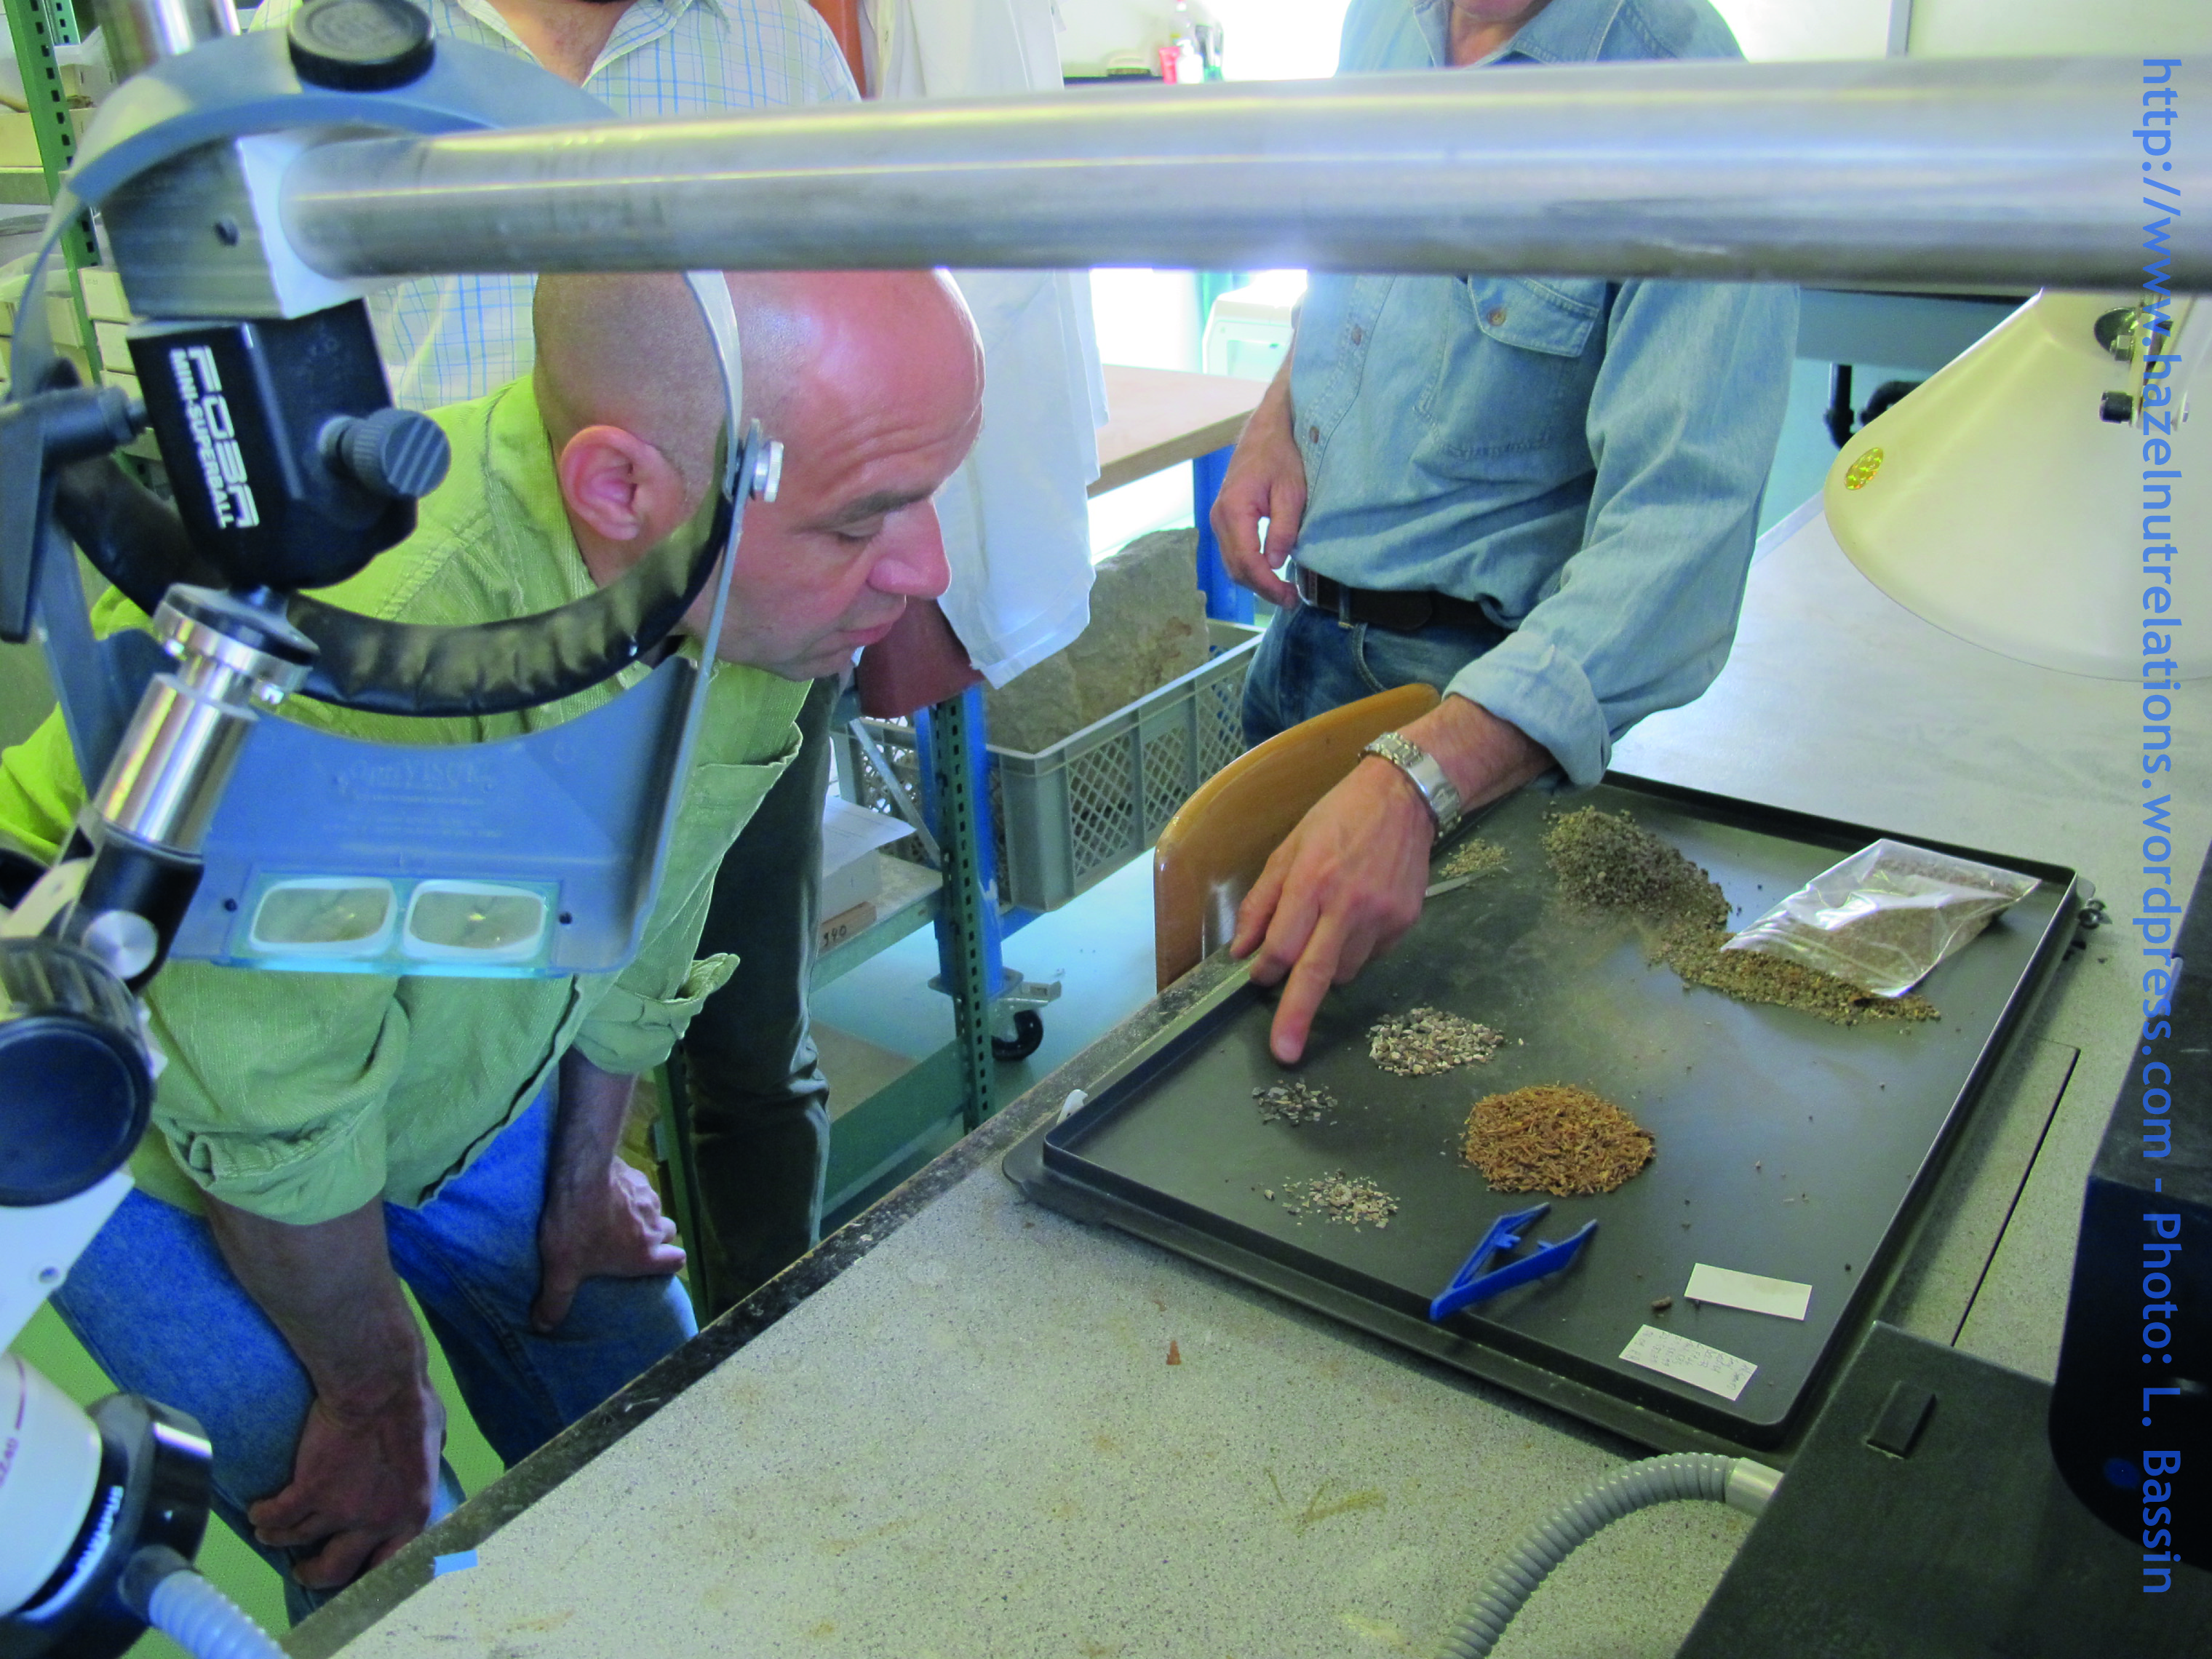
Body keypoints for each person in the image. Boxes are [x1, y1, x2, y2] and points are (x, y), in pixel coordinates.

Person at [0, 268, 984, 1613]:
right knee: (394, 1540)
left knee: (648, 1376)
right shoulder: (372, 640)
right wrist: (372, 1385)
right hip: (146, 1098)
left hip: (417, 1017)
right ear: (621, 492)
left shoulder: (741, 585)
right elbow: (271, 1112)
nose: (928, 569)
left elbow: (652, 900)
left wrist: (584, 1170)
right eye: (865, 517)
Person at [251, 0, 871, 1316]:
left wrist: (585, 1173)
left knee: (745, 1043)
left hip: (714, 609)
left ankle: (752, 1355)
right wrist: (370, 1376)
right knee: (358, 1062)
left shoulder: (777, 49)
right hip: (426, 680)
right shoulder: (330, 57)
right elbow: (289, 394)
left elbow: (867, 351)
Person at [1211, 0, 1797, 1064]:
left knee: (1450, 1117)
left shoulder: (1692, 101)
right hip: (1303, 647)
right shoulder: (1384, 23)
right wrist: (1279, 414)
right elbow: (1358, 277)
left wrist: (1419, 781)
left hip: (1474, 720)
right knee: (1244, 1083)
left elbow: (1680, 534)